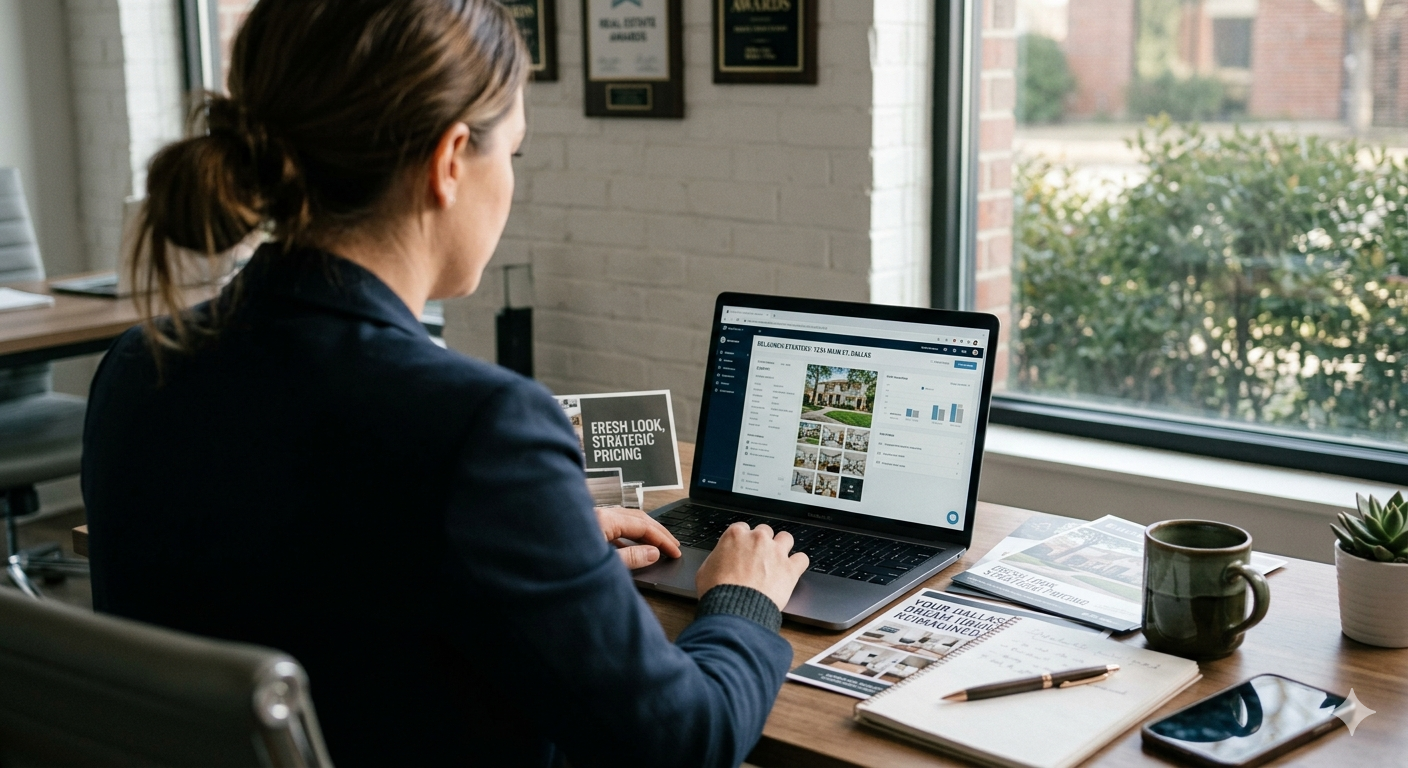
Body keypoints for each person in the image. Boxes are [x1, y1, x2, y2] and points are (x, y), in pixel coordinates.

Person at [79, 1, 808, 766]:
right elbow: (685, 743)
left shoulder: (137, 366)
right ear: (450, 160)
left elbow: (306, 564)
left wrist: (540, 537)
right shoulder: (478, 428)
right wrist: (743, 601)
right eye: (514, 155)